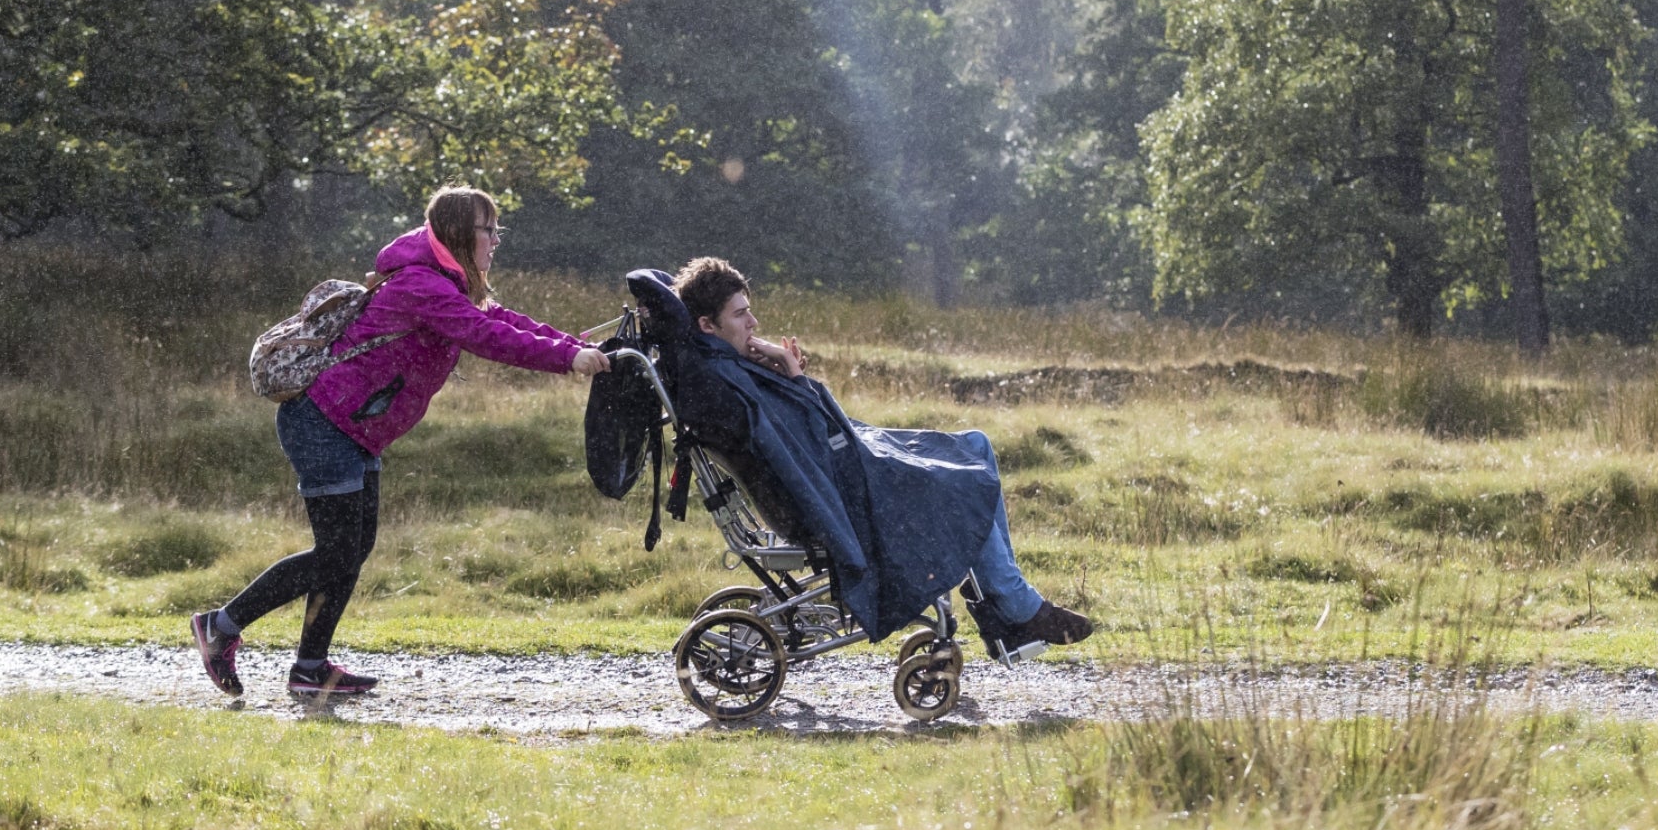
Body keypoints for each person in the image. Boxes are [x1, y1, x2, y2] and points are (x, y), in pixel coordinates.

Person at [193, 187, 609, 703]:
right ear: (460, 234)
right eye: (488, 230)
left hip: (355, 426)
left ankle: (309, 668)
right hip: (323, 421)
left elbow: (503, 322)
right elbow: (486, 337)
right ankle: (221, 627)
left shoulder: (443, 282)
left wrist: (577, 347)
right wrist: (565, 361)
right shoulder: (422, 285)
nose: (496, 240)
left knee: (349, 549)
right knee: (337, 551)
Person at [673, 256, 1095, 662]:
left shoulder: (728, 365)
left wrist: (787, 377)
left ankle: (1002, 604)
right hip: (844, 492)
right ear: (707, 325)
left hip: (849, 468)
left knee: (976, 445)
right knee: (960, 480)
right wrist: (793, 374)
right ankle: (1015, 610)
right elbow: (809, 443)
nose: (754, 323)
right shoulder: (722, 381)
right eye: (740, 314)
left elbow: (802, 435)